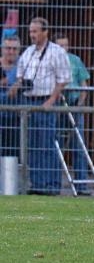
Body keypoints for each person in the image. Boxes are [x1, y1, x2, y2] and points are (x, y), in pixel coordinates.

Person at [8, 17, 71, 195]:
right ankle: (36, 184)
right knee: (32, 145)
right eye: (30, 31)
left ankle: (51, 185)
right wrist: (16, 86)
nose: (32, 35)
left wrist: (51, 100)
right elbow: (21, 76)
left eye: (35, 31)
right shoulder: (28, 52)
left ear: (45, 32)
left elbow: (63, 79)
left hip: (46, 101)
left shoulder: (56, 52)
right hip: (29, 101)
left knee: (47, 144)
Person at [53, 32, 91, 195]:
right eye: (60, 45)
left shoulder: (75, 60)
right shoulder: (52, 60)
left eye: (65, 45)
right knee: (56, 146)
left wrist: (80, 104)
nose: (63, 49)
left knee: (78, 147)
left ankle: (81, 186)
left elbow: (84, 84)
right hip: (58, 106)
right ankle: (53, 184)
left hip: (74, 106)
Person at [0, 35, 22, 156]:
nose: (11, 52)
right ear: (2, 49)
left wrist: (18, 83)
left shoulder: (23, 65)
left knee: (14, 155)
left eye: (15, 49)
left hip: (17, 117)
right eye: (8, 48)